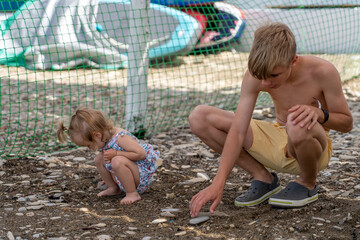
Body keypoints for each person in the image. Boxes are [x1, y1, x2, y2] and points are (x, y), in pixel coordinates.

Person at [188, 22, 353, 217]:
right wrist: (218, 182)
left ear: (293, 60)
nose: (266, 83)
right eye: (261, 76)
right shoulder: (256, 75)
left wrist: (319, 114)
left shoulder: (323, 71)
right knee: (200, 116)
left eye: (274, 75)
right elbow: (239, 130)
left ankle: (307, 182)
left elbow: (346, 124)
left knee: (296, 121)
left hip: (312, 147)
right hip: (278, 137)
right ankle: (263, 178)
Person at [57, 107, 159, 205]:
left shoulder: (121, 137)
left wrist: (117, 153)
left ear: (97, 135)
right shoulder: (104, 139)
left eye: (89, 145)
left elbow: (141, 154)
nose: (89, 148)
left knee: (117, 161)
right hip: (128, 174)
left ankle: (132, 193)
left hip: (141, 177)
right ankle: (113, 188)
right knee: (99, 158)